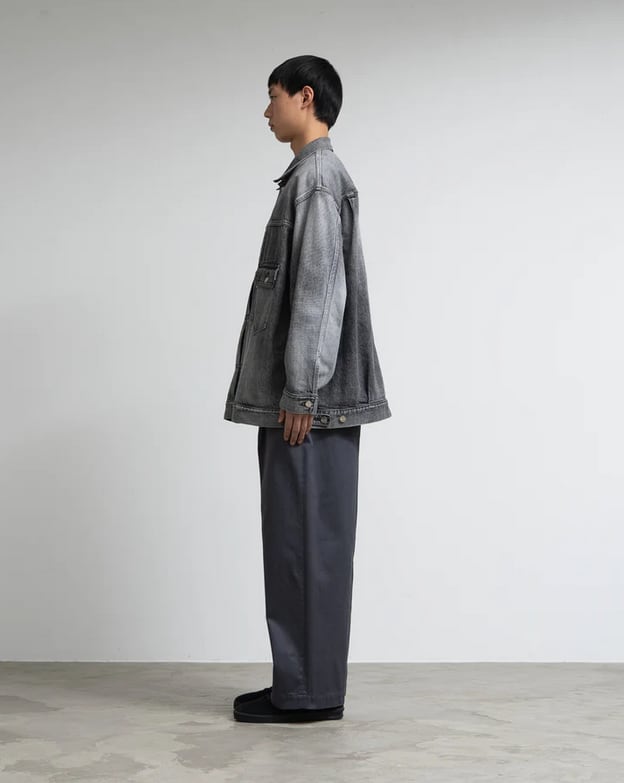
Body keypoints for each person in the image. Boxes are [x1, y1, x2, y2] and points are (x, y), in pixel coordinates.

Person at [224, 54, 391, 723]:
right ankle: (300, 686)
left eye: (272, 96)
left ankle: (308, 695)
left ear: (305, 97)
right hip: (308, 402)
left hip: (308, 407)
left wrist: (301, 391)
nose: (266, 110)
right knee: (301, 547)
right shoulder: (310, 178)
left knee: (305, 547)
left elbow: (320, 292)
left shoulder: (316, 180)